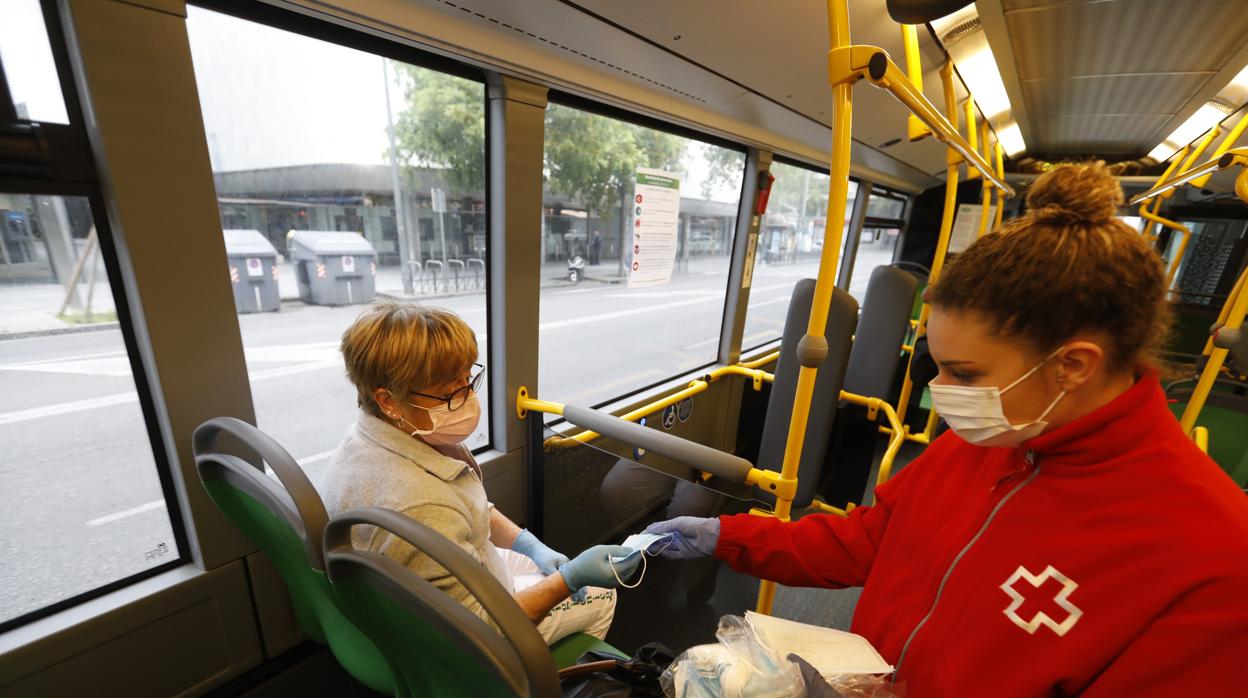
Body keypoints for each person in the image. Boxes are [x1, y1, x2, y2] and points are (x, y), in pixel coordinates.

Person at [644, 163, 1248, 695]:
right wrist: (727, 536)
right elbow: (868, 544)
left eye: (965, 372)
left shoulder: (1213, 560)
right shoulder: (983, 443)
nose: (942, 394)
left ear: (1072, 364)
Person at [322, 301, 639, 644]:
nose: (468, 399)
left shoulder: (382, 436)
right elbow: (486, 630)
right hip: (468, 636)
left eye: (467, 380)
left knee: (544, 565)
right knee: (602, 596)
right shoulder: (418, 503)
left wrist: (528, 545)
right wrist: (570, 581)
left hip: (453, 573)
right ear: (388, 400)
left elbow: (465, 508)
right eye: (449, 393)